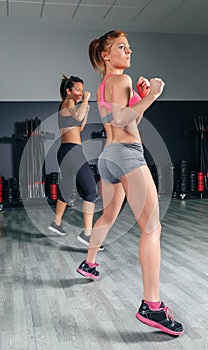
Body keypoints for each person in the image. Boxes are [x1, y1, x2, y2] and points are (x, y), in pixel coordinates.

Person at [76, 30, 183, 336]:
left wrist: (138, 95)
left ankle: (89, 263)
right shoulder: (119, 79)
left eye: (129, 47)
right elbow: (124, 121)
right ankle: (152, 305)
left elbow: (124, 115)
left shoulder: (106, 85)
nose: (129, 51)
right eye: (121, 47)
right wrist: (151, 95)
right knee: (152, 228)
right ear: (105, 55)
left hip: (109, 156)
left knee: (109, 215)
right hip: (126, 154)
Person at [48, 74, 104, 250]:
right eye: (78, 90)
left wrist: (85, 111)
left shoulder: (67, 107)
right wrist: (86, 100)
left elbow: (79, 127)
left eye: (82, 90)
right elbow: (78, 118)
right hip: (72, 151)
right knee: (91, 191)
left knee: (66, 189)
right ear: (68, 91)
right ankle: (87, 235)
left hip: (66, 150)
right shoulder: (69, 103)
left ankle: (56, 223)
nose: (81, 93)